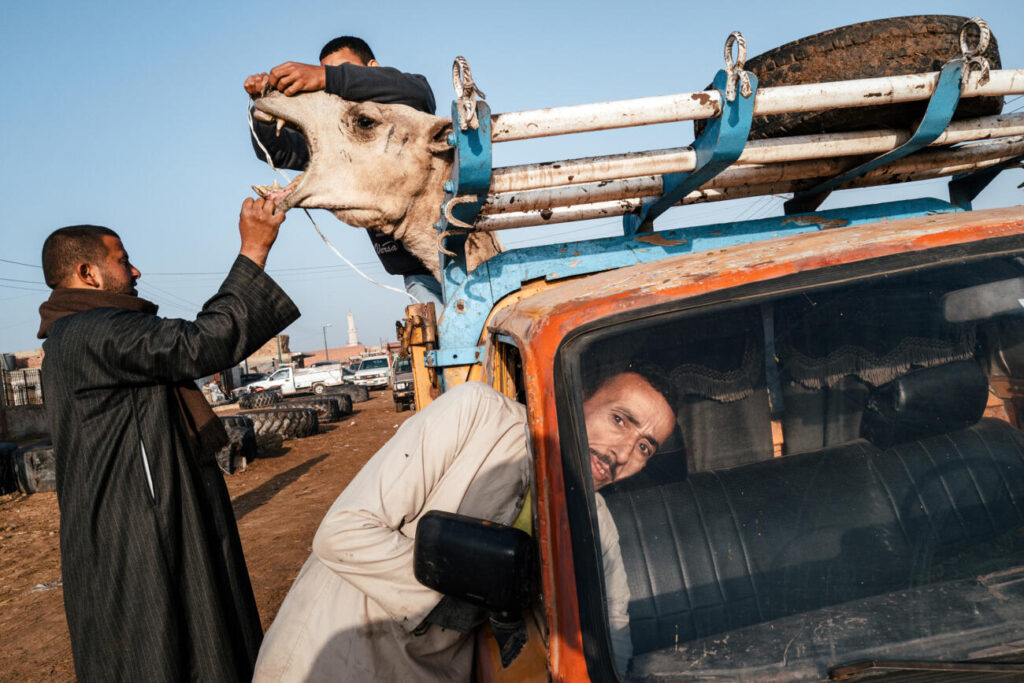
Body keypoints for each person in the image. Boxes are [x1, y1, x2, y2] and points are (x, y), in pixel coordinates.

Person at [253, 368, 676, 681]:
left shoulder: (594, 522)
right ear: (576, 394)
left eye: (644, 447)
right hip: (332, 658)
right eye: (620, 419)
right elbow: (342, 533)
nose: (623, 452)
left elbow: (612, 619)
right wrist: (478, 605)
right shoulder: (477, 415)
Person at [37, 197, 300, 681]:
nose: (136, 270)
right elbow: (202, 343)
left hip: (137, 521)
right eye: (122, 260)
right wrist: (254, 250)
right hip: (141, 533)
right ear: (87, 273)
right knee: (167, 652)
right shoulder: (93, 330)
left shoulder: (71, 337)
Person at [245, 35, 444, 308]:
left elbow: (419, 91)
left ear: (372, 68)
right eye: (330, 73)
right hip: (418, 272)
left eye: (344, 69)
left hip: (459, 255)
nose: (336, 87)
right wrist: (262, 102)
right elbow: (281, 152)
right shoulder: (344, 138)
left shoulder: (401, 107)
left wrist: (327, 77)